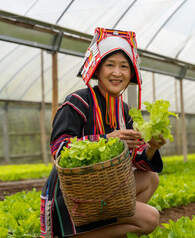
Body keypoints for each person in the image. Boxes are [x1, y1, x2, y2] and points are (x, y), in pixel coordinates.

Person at [40, 27, 166, 238]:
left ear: (131, 73)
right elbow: (58, 148)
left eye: (124, 66)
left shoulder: (123, 109)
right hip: (71, 199)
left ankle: (103, 230)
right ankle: (72, 234)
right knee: (150, 218)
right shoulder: (78, 102)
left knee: (151, 178)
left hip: (100, 193)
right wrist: (107, 139)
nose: (117, 73)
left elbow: (136, 157)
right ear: (97, 70)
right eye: (110, 65)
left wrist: (151, 147)